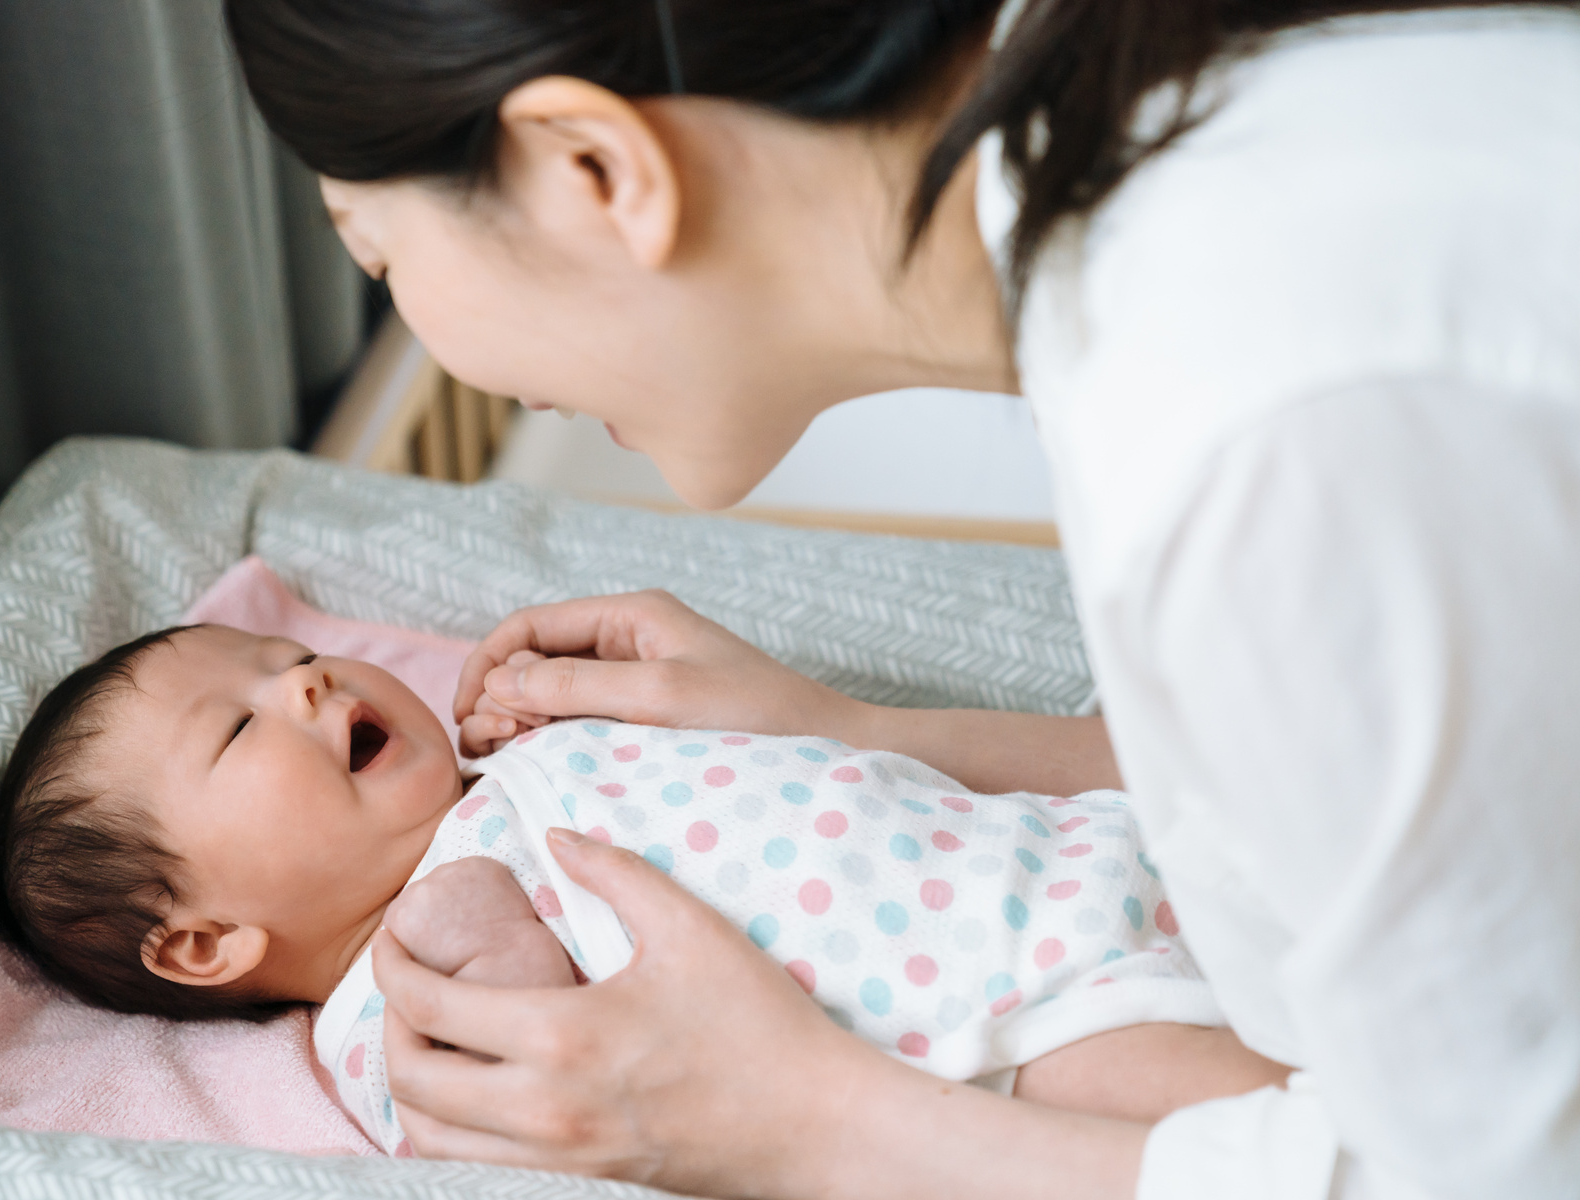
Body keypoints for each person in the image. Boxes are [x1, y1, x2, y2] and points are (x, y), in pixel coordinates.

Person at [222, 1, 1580, 1196]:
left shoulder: (1264, 434)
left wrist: (808, 1123)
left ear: (594, 168)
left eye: (382, 258)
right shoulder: (1175, 192)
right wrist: (854, 735)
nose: (443, 354)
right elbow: (1359, 779)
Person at [0, 622, 1284, 1157]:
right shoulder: (392, 1015)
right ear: (207, 942)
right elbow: (547, 1117)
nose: (309, 684)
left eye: (295, 656)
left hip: (1067, 847)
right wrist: (477, 936)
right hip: (1013, 1030)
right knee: (1290, 1122)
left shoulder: (519, 772)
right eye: (239, 731)